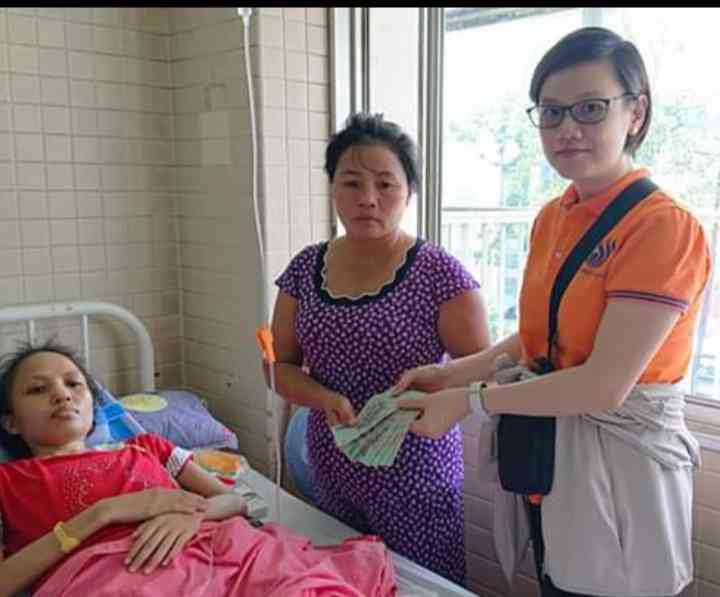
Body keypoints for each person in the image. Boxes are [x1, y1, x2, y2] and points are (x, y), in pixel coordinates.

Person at [394, 26, 710, 597]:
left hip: (620, 463)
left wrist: (468, 401)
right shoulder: (553, 217)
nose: (567, 129)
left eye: (590, 108)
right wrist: (451, 374)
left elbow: (602, 386)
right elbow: (539, 337)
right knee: (556, 580)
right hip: (550, 453)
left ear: (635, 113)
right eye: (551, 111)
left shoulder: (662, 228)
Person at [270, 112, 491, 585]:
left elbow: (482, 372)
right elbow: (278, 368)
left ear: (408, 193)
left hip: (416, 473)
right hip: (332, 464)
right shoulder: (305, 269)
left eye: (386, 184)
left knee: (422, 587)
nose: (367, 198)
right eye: (351, 183)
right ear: (333, 189)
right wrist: (323, 398)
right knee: (343, 583)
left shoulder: (440, 274)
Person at [0, 341, 396, 597]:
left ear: (94, 403)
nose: (62, 395)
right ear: (11, 422)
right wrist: (102, 514)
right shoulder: (7, 482)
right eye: (38, 389)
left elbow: (236, 502)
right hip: (118, 579)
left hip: (218, 549)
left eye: (74, 384)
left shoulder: (145, 447)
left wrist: (192, 516)